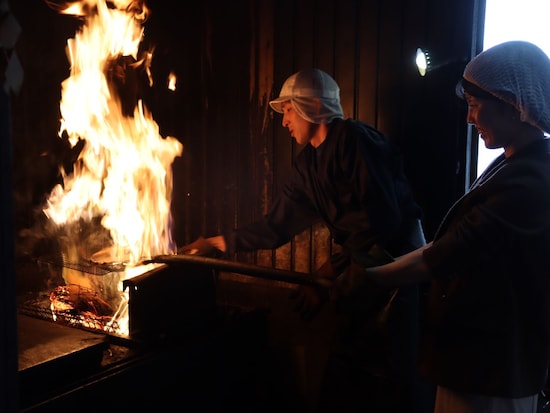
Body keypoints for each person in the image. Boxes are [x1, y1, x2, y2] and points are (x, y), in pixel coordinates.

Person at [183, 68, 433, 412]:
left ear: (313, 105)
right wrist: (215, 243)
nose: (283, 121)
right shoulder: (307, 168)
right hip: (362, 269)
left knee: (392, 372)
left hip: (399, 266)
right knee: (350, 368)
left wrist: (328, 271)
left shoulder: (355, 141)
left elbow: (382, 222)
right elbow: (276, 227)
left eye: (287, 110)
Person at [343, 40, 550, 413]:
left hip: (492, 364)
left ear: (512, 104)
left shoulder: (533, 178)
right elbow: (450, 244)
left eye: (474, 106)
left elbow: (451, 251)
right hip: (477, 356)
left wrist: (372, 278)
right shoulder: (514, 162)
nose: (470, 119)